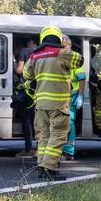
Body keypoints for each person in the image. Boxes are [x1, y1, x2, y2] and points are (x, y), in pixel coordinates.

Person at [23, 25, 81, 180]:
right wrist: (65, 46)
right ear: (58, 38)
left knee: (43, 137)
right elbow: (80, 61)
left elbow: (26, 75)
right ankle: (50, 168)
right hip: (59, 105)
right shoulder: (63, 53)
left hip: (41, 105)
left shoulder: (34, 56)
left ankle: (42, 167)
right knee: (57, 136)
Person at [62, 38, 87, 161]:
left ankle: (69, 151)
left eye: (64, 46)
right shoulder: (60, 57)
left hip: (72, 96)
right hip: (62, 96)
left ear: (69, 45)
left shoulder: (74, 58)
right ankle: (63, 150)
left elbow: (82, 78)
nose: (62, 48)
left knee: (69, 123)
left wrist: (81, 96)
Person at [13, 38, 37, 158]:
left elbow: (19, 70)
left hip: (26, 92)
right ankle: (40, 148)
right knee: (38, 121)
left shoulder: (24, 51)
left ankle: (28, 149)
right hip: (39, 92)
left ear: (29, 41)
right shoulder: (41, 52)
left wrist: (11, 62)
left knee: (26, 120)